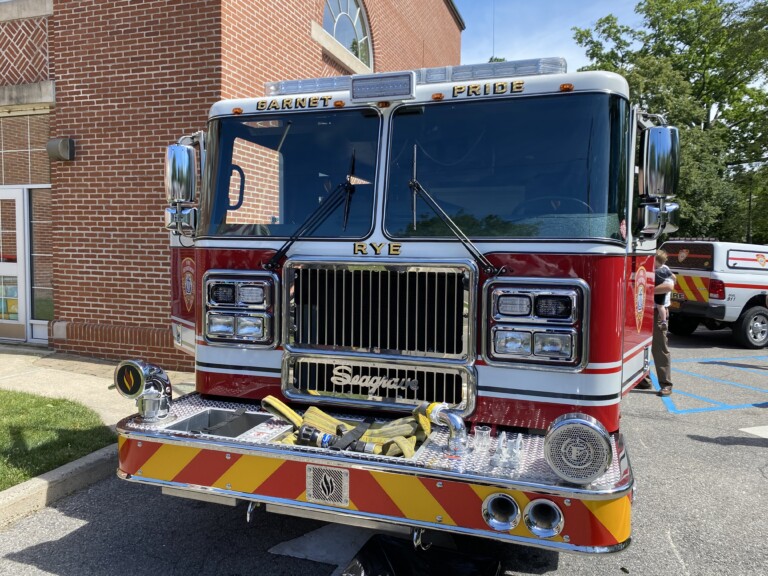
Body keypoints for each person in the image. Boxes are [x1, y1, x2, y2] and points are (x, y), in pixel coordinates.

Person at [636, 249, 676, 396]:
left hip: (656, 312)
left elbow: (668, 286)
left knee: (659, 349)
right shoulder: (648, 268)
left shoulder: (664, 270)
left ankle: (666, 384)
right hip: (641, 310)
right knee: (639, 346)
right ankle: (644, 379)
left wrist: (643, 290)